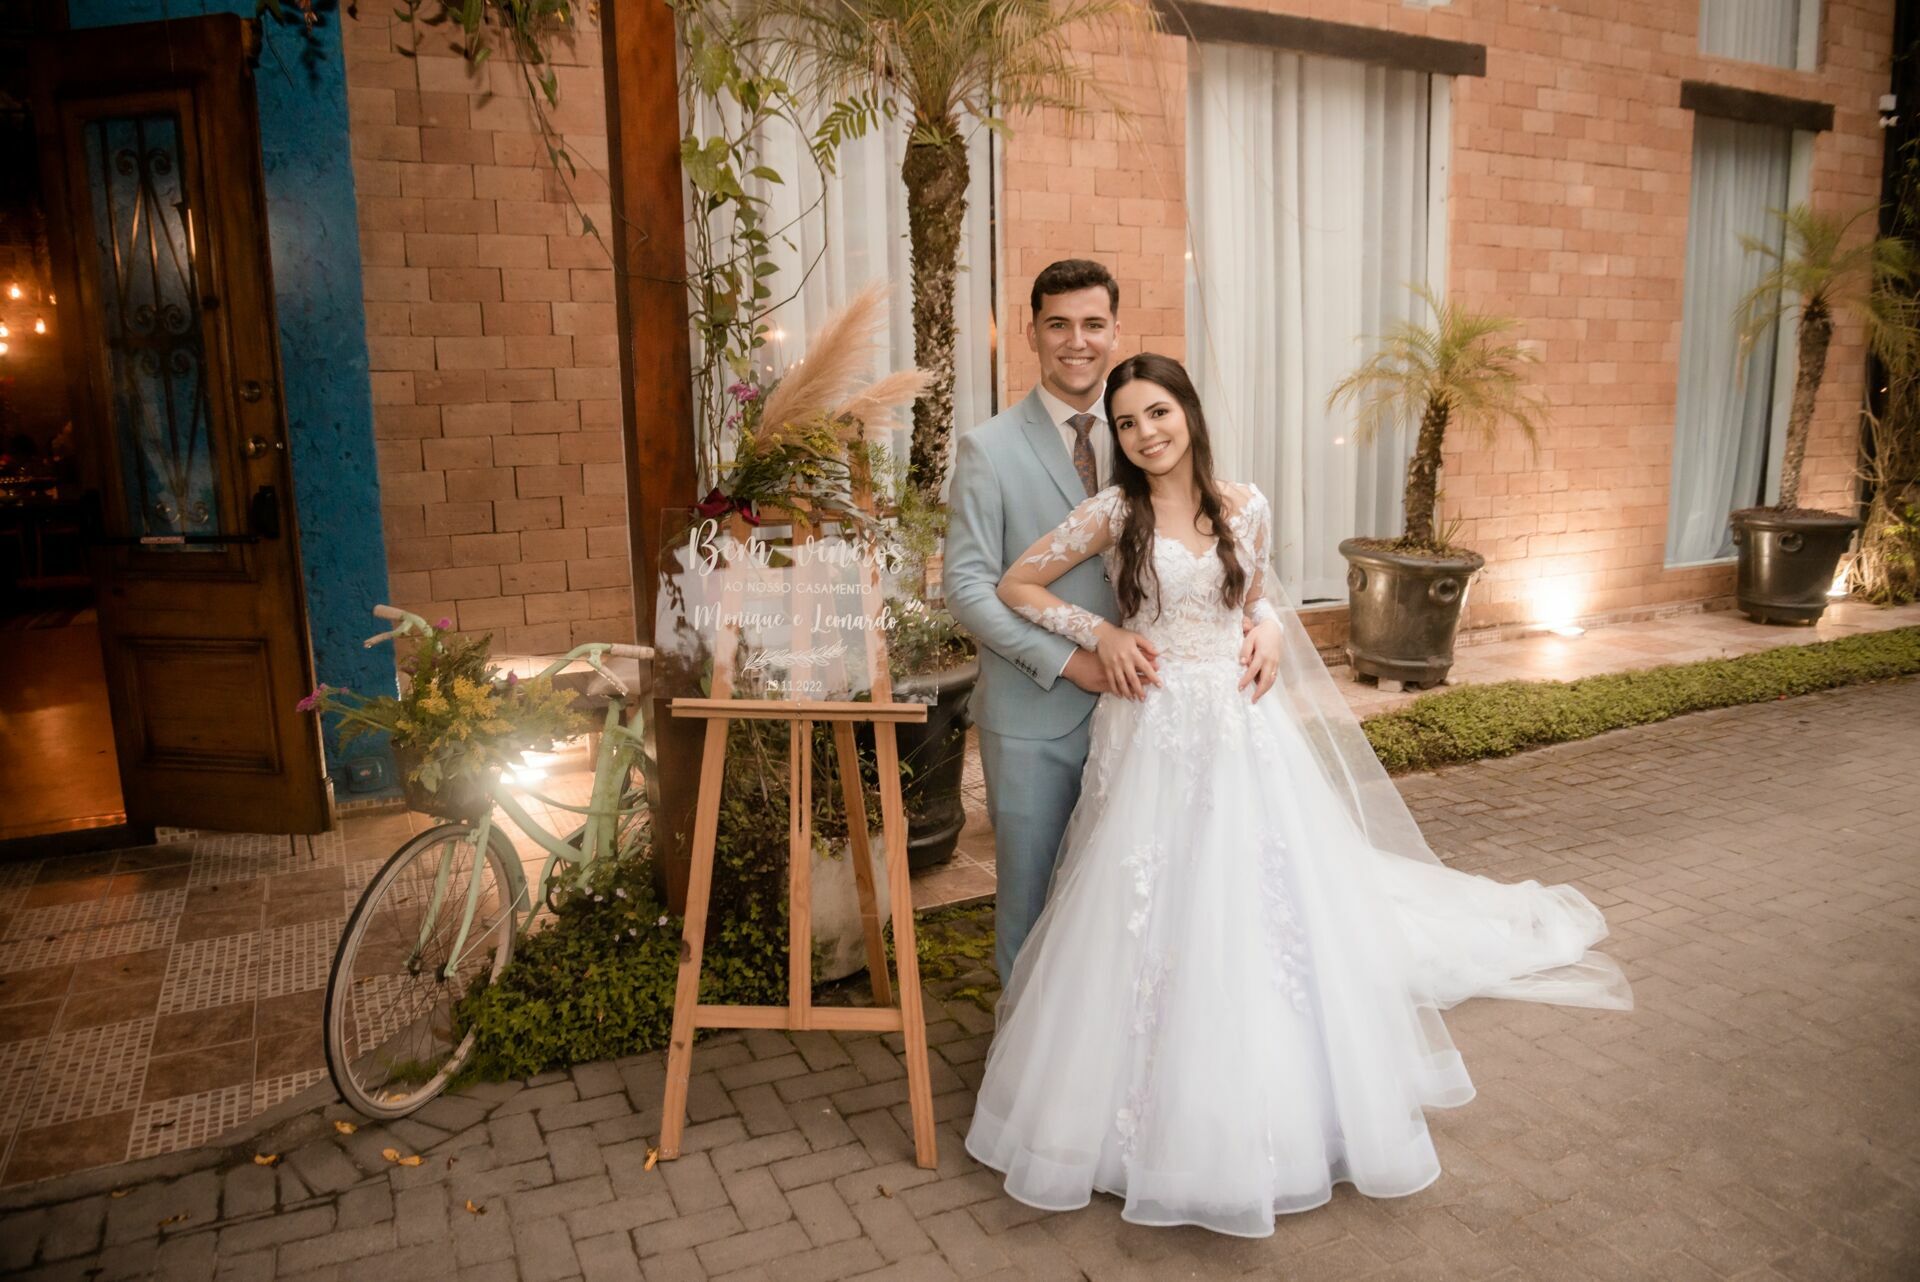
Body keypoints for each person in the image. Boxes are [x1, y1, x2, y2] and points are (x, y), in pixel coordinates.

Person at [963, 352, 1632, 1237]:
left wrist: (1270, 624)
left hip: (1240, 730)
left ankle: (1280, 1107)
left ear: (1189, 413)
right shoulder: (1112, 510)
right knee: (1145, 903)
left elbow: (1251, 600)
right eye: (1126, 422)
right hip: (1153, 727)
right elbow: (1015, 583)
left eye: (1157, 412)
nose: (1145, 433)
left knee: (1259, 900)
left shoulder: (1245, 504)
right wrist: (1102, 636)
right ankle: (1138, 1114)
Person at [945, 261, 1283, 983]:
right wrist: (1080, 655)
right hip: (1038, 711)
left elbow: (1238, 578)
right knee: (1037, 907)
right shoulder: (988, 449)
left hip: (1159, 718)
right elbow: (971, 589)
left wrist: (1270, 624)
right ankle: (1028, 1072)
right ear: (1032, 332)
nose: (1077, 341)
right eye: (1058, 325)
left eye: (1093, 324)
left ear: (1114, 331)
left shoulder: (1146, 424)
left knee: (1162, 903)